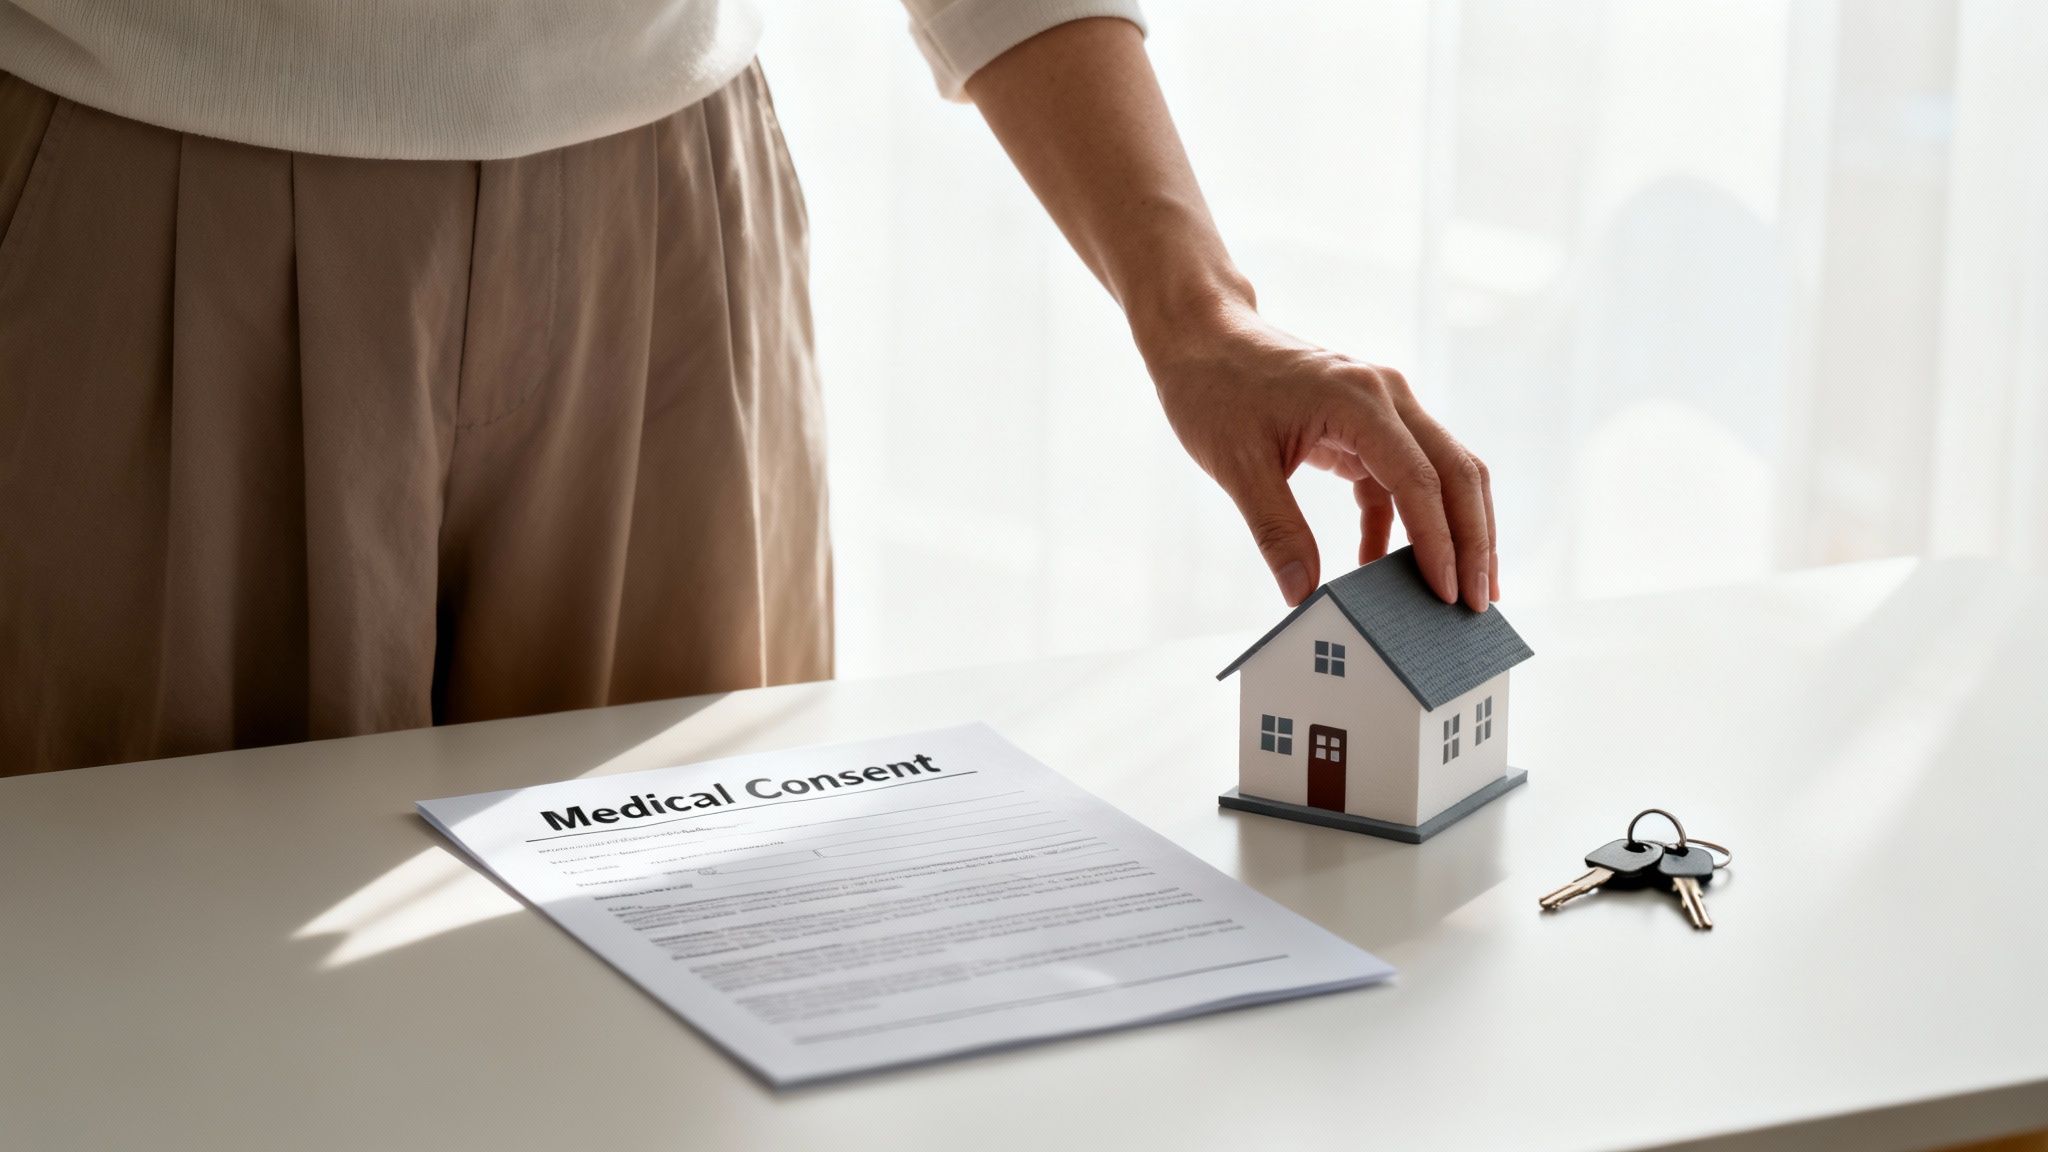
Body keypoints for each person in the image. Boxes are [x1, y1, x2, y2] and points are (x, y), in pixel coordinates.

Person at [0, 2, 1497, 776]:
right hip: (152, 191)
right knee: (152, 1034)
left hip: (669, 244)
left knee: (682, 1011)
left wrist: (1198, 313)